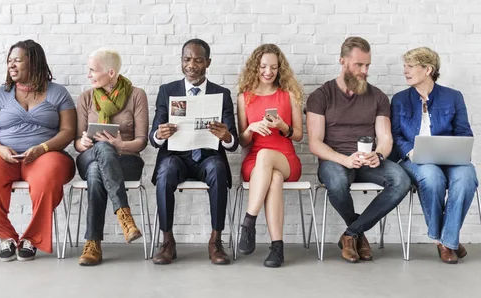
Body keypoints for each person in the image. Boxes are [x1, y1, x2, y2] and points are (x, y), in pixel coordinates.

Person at [306, 36, 411, 263]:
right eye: (359, 65)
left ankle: (350, 234)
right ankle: (358, 235)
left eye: (367, 65)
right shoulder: (320, 96)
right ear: (343, 61)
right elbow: (315, 142)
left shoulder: (378, 97)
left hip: (368, 161)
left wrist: (379, 154)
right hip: (335, 160)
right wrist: (344, 160)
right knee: (337, 182)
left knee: (401, 180)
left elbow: (385, 137)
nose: (364, 71)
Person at [0, 40, 76, 262]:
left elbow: (68, 131)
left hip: (46, 155)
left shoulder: (58, 93)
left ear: (34, 62)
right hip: (3, 156)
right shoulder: (0, 93)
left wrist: (43, 148)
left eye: (17, 60)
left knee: (48, 177)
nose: (11, 65)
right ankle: (6, 236)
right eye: (9, 61)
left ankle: (32, 239)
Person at [150, 39, 239, 265]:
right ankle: (168, 240)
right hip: (176, 157)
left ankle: (215, 241)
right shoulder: (167, 91)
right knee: (165, 170)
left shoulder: (222, 94)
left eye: (198, 60)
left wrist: (225, 136)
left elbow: (234, 141)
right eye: (187, 59)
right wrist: (160, 134)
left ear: (208, 62)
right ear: (181, 61)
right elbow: (153, 136)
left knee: (218, 169)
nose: (191, 65)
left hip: (207, 157)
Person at [391, 47, 478, 264]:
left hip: (450, 158)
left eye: (410, 66)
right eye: (405, 66)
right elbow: (395, 135)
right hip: (415, 159)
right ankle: (449, 242)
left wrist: (455, 150)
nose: (405, 71)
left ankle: (445, 240)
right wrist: (410, 151)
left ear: (428, 69)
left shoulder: (453, 97)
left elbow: (464, 133)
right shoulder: (400, 99)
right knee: (431, 176)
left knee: (467, 177)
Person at [75, 48, 149, 266]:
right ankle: (125, 217)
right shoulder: (86, 97)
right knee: (102, 150)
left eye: (92, 70)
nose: (89, 75)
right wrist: (83, 142)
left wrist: (121, 144)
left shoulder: (137, 95)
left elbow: (141, 141)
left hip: (126, 159)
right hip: (89, 156)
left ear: (111, 72)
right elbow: (77, 144)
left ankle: (92, 243)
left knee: (98, 169)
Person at [235, 44, 304, 267]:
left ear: (279, 69)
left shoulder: (289, 95)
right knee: (272, 177)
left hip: (285, 158)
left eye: (273, 67)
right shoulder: (244, 98)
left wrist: (284, 126)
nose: (268, 72)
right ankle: (277, 248)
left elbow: (299, 136)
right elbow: (242, 141)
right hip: (254, 162)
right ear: (255, 67)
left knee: (267, 156)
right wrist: (251, 128)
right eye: (263, 66)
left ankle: (249, 222)